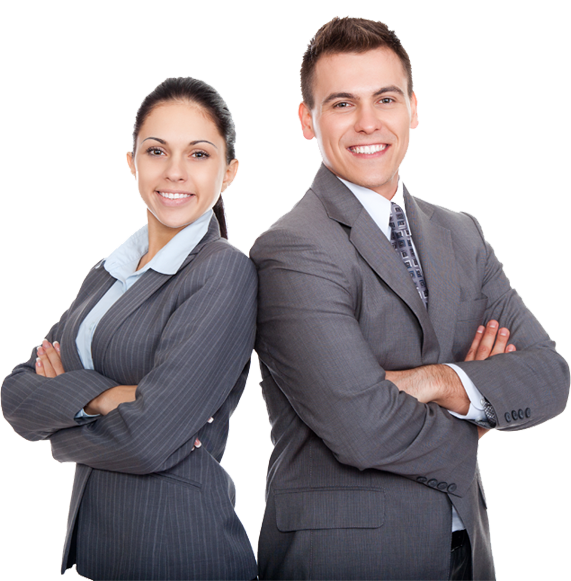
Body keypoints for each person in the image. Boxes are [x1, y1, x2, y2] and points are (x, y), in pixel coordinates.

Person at [250, 17, 570, 581]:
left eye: (386, 98)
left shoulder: (461, 235)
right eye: (342, 103)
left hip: (465, 551)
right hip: (346, 561)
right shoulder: (291, 249)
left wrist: (439, 381)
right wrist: (477, 411)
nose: (368, 122)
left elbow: (549, 376)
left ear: (413, 109)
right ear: (307, 120)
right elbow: (361, 428)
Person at [1, 77, 259, 581]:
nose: (175, 171)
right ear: (132, 162)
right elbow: (16, 392)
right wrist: (107, 397)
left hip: (181, 552)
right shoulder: (107, 274)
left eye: (199, 154)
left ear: (228, 172)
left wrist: (61, 421)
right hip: (103, 550)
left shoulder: (222, 272)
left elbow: (148, 439)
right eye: (156, 151)